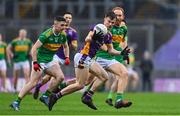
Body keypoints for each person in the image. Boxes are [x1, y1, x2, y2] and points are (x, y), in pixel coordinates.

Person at [48, 11, 130, 111]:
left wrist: (121, 53)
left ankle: (87, 97)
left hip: (90, 59)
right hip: (83, 57)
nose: (111, 24)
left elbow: (110, 50)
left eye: (113, 23)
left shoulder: (108, 35)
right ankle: (56, 96)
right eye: (109, 21)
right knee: (80, 85)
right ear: (105, 19)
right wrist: (92, 37)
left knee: (104, 76)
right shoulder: (98, 27)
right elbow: (87, 38)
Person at [10, 16, 69, 111]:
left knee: (60, 77)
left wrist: (67, 57)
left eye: (65, 25)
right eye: (62, 25)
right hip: (40, 60)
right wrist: (35, 62)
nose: (64, 27)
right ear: (55, 25)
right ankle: (16, 102)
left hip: (50, 60)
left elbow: (66, 46)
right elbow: (34, 48)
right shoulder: (46, 35)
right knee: (33, 83)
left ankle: (45, 96)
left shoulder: (63, 35)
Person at [83, 7, 132, 109]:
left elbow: (122, 43)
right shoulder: (105, 27)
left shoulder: (124, 29)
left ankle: (118, 100)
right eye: (115, 15)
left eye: (120, 15)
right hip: (99, 57)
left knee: (124, 73)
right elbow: (98, 42)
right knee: (84, 82)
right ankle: (61, 88)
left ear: (123, 17)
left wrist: (124, 53)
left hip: (111, 58)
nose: (117, 17)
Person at [33, 11, 78, 100]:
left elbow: (75, 46)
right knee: (53, 76)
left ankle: (40, 86)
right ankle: (46, 93)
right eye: (66, 18)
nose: (68, 19)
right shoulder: (57, 28)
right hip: (55, 55)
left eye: (70, 18)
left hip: (63, 57)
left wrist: (72, 44)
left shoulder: (73, 32)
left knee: (53, 77)